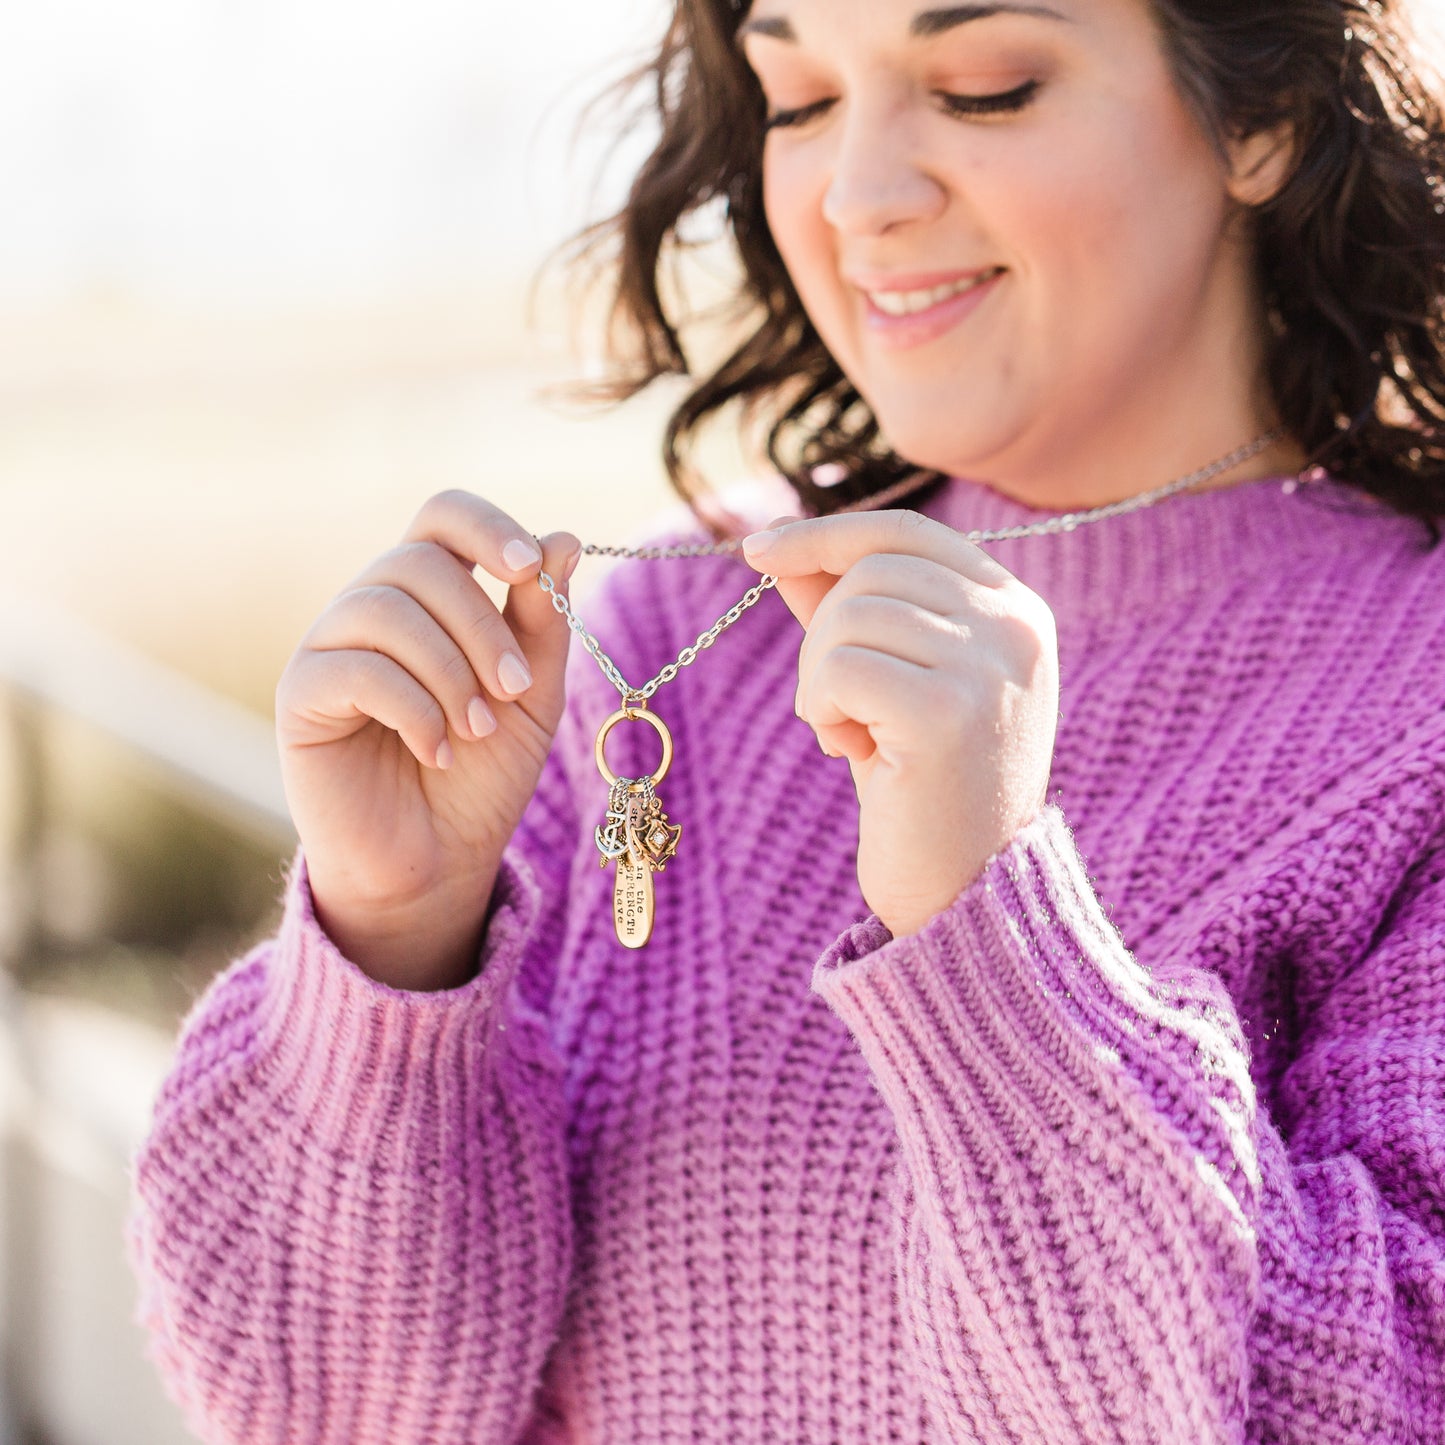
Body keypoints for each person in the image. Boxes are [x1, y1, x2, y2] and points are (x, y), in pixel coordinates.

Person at [127, 0, 1445, 1439]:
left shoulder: (1415, 697)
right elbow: (318, 1407)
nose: (859, 196)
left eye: (984, 86)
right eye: (802, 99)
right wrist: (391, 940)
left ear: (1263, 117)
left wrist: (990, 946)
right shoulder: (658, 648)